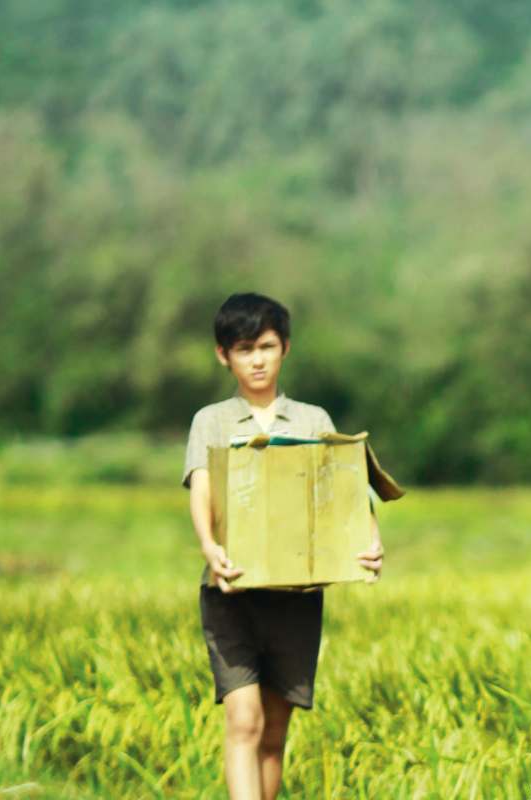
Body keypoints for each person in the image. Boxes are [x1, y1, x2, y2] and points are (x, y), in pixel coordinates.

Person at [181, 292, 385, 800]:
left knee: (273, 734)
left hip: (296, 597)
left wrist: (370, 542)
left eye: (266, 346)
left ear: (285, 349)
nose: (256, 359)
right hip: (231, 592)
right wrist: (209, 546)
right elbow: (203, 488)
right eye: (244, 348)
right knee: (243, 720)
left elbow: (345, 492)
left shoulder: (313, 421)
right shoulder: (212, 421)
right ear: (222, 354)